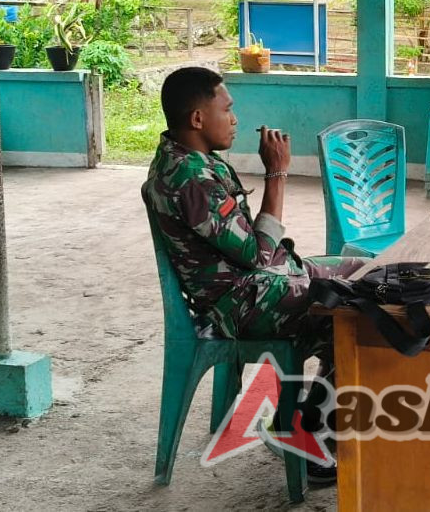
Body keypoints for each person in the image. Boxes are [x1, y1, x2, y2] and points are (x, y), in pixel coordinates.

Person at [141, 67, 363, 485]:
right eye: (227, 109)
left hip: (256, 280)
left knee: (361, 273)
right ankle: (301, 431)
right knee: (352, 306)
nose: (235, 118)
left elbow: (256, 250)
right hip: (239, 301)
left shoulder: (197, 161)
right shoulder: (189, 180)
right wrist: (277, 173)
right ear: (197, 119)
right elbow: (259, 254)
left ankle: (308, 416)